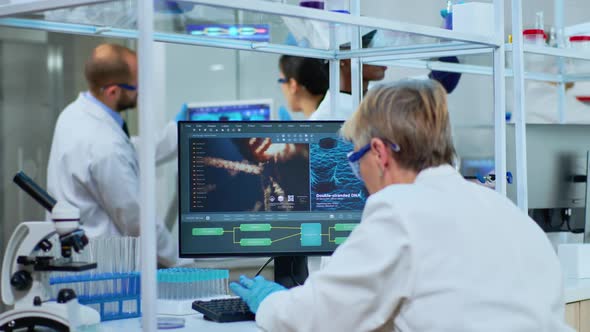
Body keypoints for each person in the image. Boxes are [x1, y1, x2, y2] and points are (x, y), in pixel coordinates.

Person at [230, 79, 571, 331]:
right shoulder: (502, 209)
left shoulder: (400, 210)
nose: (358, 173)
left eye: (355, 160)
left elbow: (317, 316)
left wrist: (270, 301)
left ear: (378, 153)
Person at [47, 43, 179, 267]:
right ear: (113, 91)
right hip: (100, 268)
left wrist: (175, 133)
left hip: (80, 259)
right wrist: (183, 262)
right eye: (136, 85)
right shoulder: (104, 144)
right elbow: (138, 220)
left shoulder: (74, 114)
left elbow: (126, 150)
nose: (140, 91)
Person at [311, 30, 462, 121]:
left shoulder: (382, 96)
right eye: (371, 45)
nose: (381, 53)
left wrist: (449, 33)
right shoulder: (324, 119)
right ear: (342, 57)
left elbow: (442, 80)